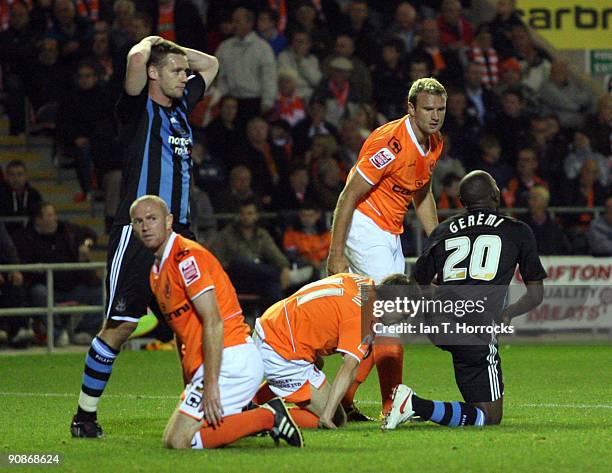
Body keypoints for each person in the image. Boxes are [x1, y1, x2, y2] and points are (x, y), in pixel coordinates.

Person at [70, 36, 219, 438]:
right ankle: (85, 416)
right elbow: (136, 56)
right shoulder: (137, 107)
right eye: (174, 70)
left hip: (179, 234)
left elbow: (213, 65)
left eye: (183, 71)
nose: (184, 76)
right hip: (138, 233)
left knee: (196, 325)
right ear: (153, 73)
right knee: (119, 325)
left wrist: (178, 54)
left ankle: (201, 408)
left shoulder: (182, 105)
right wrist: (154, 41)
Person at [129, 195, 303, 449]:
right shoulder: (157, 271)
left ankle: (267, 417)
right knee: (172, 438)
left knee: (180, 441)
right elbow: (181, 331)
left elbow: (213, 321)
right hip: (213, 363)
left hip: (231, 359)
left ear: (168, 221)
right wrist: (189, 381)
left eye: (152, 219)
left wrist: (210, 385)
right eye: (138, 221)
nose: (145, 226)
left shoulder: (187, 258)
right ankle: (250, 414)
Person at [382, 170, 546, 429]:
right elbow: (536, 294)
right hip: (476, 326)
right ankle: (413, 404)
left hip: (437, 323)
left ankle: (419, 406)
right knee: (489, 417)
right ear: (496, 194)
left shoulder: (442, 230)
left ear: (461, 201)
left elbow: (418, 283)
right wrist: (509, 313)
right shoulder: (517, 231)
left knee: (475, 408)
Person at [326, 77, 447, 417]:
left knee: (369, 323)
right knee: (388, 319)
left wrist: (437, 244)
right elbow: (348, 194)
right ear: (411, 108)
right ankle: (391, 404)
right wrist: (335, 254)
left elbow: (421, 192)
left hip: (388, 232)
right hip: (364, 227)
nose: (435, 116)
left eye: (440, 109)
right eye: (427, 109)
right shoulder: (390, 143)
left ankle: (342, 403)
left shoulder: (434, 143)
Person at [253, 272, 374, 430]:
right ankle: (258, 417)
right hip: (281, 351)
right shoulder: (363, 318)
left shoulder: (363, 283)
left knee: (318, 363)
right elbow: (349, 368)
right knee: (338, 419)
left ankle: (252, 401)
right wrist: (327, 415)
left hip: (270, 323)